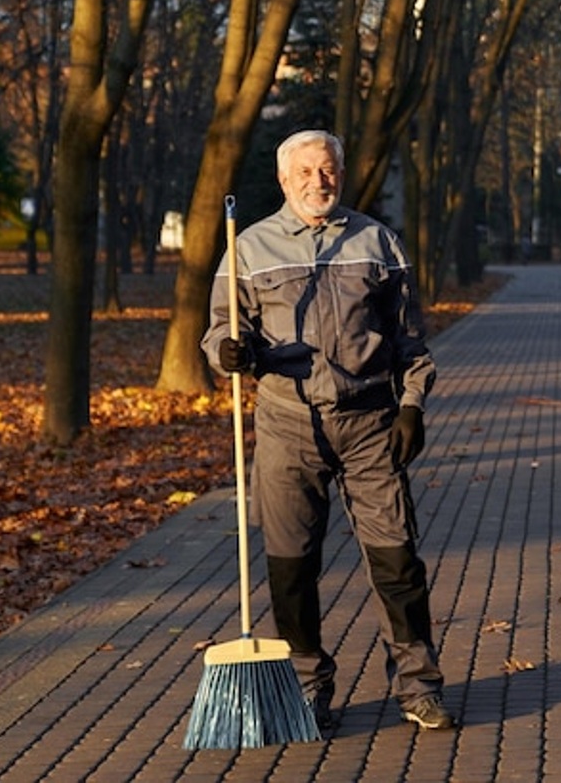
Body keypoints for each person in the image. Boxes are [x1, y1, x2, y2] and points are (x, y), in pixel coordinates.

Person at [201, 129, 456, 733]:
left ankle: (419, 686)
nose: (319, 181)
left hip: (370, 423)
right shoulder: (249, 247)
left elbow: (409, 340)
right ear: (285, 180)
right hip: (288, 426)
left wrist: (412, 406)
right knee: (291, 570)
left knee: (398, 562)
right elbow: (218, 332)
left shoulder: (377, 243)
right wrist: (229, 353)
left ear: (341, 174)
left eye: (328, 170)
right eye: (306, 173)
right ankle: (308, 686)